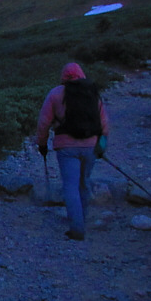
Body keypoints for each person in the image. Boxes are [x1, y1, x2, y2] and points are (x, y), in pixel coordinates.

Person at [36, 62, 110, 241]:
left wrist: (42, 144)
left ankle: (76, 227)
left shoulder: (55, 94)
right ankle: (81, 220)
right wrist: (101, 145)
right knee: (84, 183)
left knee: (70, 186)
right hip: (91, 146)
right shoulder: (92, 93)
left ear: (63, 76)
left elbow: (44, 123)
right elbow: (104, 124)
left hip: (66, 148)